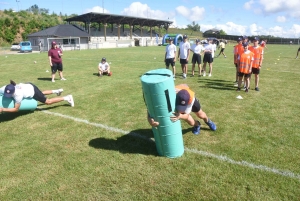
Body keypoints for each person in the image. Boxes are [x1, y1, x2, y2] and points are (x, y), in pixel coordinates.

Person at [147, 84, 216, 135]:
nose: (180, 111)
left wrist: (180, 116)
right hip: (180, 95)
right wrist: (149, 118)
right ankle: (197, 124)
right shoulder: (169, 95)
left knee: (200, 115)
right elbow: (151, 105)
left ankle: (208, 121)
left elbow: (187, 115)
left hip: (191, 100)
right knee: (191, 123)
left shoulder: (190, 99)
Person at [0, 80, 74, 113]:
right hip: (27, 86)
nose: (8, 96)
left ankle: (67, 98)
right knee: (41, 93)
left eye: (10, 95)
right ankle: (57, 91)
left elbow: (16, 109)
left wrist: (3, 109)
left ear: (14, 92)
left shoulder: (18, 94)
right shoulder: (4, 88)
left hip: (32, 91)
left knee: (48, 102)